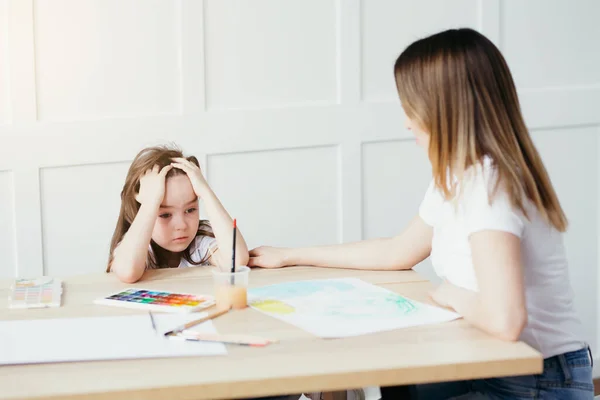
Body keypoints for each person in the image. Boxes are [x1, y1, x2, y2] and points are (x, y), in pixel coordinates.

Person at [248, 28, 593, 399]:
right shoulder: (457, 176)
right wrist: (292, 255)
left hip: (536, 378)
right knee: (396, 384)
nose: (406, 121)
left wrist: (449, 295)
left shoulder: (490, 187)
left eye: (410, 107)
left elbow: (505, 320)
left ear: (442, 108)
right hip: (491, 361)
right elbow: (398, 251)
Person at [107, 144, 249, 283]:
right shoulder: (137, 247)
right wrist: (150, 202)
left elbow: (236, 262)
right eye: (165, 215)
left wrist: (206, 192)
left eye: (190, 210)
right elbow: (128, 272)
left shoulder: (200, 243)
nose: (181, 225)